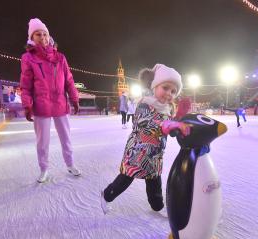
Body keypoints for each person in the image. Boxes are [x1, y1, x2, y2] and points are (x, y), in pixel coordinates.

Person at [100, 64, 191, 215]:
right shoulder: (144, 104)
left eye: (173, 91)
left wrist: (180, 119)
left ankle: (158, 207)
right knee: (125, 179)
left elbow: (172, 132)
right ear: (155, 86)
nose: (169, 93)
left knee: (155, 181)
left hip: (155, 155)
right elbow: (147, 124)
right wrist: (170, 124)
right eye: (166, 88)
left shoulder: (168, 109)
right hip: (137, 153)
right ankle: (106, 195)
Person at [20, 18, 81, 183]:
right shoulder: (28, 58)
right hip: (41, 105)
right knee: (42, 141)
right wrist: (27, 105)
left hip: (60, 103)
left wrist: (74, 98)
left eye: (45, 34)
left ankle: (70, 163)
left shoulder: (60, 57)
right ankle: (44, 169)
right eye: (38, 34)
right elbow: (25, 84)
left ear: (49, 36)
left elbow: (68, 79)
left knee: (66, 137)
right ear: (32, 38)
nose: (42, 37)